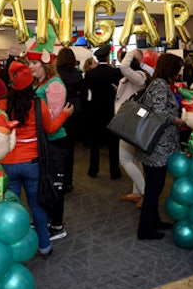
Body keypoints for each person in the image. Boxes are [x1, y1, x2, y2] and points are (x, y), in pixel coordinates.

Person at [0, 60, 74, 256]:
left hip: (8, 163)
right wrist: (64, 114)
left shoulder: (1, 105)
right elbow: (51, 128)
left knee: (10, 210)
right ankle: (45, 246)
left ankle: (11, 252)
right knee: (37, 207)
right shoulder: (38, 104)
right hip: (33, 163)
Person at [137, 52, 185, 240]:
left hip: (154, 145)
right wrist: (178, 120)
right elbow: (159, 112)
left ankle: (153, 221)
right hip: (157, 146)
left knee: (153, 186)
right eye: (178, 68)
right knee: (154, 188)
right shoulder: (159, 85)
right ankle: (145, 229)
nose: (180, 71)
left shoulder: (157, 83)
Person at [27, 42, 69, 241]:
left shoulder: (55, 85)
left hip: (54, 140)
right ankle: (44, 219)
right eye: (29, 63)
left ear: (45, 64)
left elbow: (52, 117)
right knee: (44, 182)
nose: (31, 66)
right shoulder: (38, 84)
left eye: (34, 62)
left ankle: (58, 225)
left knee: (54, 184)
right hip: (42, 140)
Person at [115, 50, 150, 207]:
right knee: (134, 159)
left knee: (125, 159)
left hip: (131, 123)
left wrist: (130, 53)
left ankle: (144, 192)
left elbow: (123, 67)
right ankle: (138, 192)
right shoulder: (132, 78)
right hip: (127, 122)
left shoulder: (138, 76)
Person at [84, 45, 123, 179]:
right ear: (107, 57)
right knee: (113, 143)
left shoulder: (90, 74)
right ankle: (114, 171)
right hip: (110, 111)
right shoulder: (115, 73)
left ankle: (93, 170)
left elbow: (87, 91)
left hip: (94, 112)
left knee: (95, 143)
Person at [56, 47, 86, 193]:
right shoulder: (77, 74)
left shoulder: (56, 73)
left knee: (58, 147)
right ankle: (68, 182)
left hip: (59, 109)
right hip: (75, 109)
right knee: (70, 148)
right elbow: (84, 93)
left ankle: (58, 180)